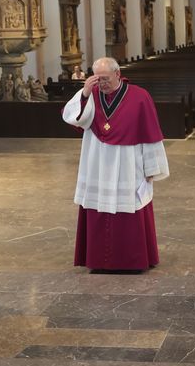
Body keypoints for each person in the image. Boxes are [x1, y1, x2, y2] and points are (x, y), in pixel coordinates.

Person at [62, 57, 169, 272]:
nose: (102, 84)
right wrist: (84, 92)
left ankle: (132, 260)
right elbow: (72, 117)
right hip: (97, 164)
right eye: (97, 79)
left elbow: (150, 134)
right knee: (98, 207)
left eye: (105, 79)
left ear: (117, 74)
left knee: (130, 208)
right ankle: (99, 261)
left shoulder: (140, 97)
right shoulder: (90, 95)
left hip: (129, 165)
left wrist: (152, 168)